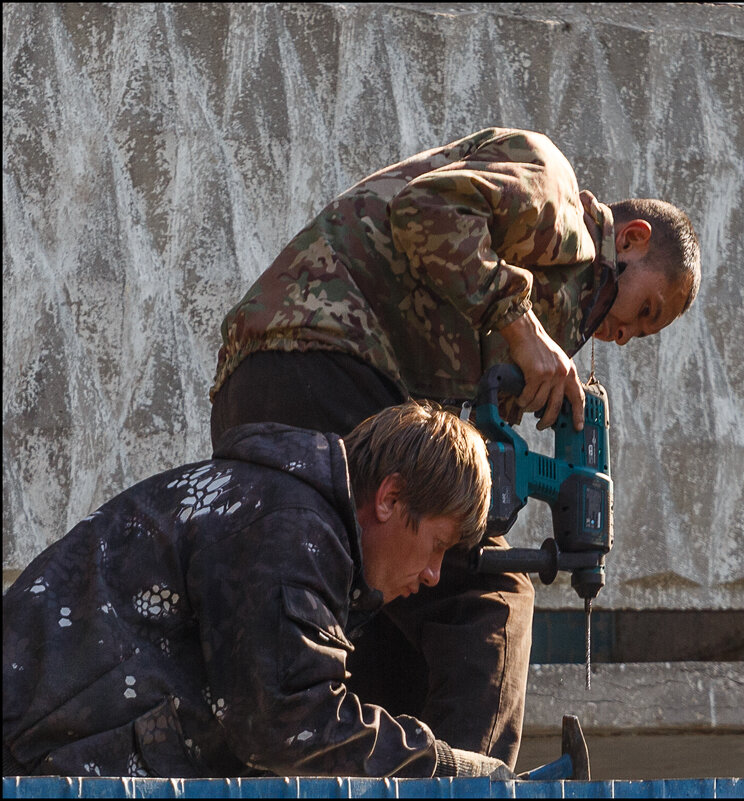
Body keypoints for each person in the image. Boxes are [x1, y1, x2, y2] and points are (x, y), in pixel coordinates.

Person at [209, 127, 702, 767]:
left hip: (264, 384)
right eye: (646, 311)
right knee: (490, 598)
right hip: (329, 359)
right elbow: (427, 208)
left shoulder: (546, 320)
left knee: (386, 613)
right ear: (631, 241)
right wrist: (521, 328)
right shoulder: (554, 190)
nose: (627, 336)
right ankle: (473, 785)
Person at [3, 401, 516, 780]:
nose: (433, 574)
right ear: (390, 497)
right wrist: (449, 766)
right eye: (437, 545)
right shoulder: (289, 528)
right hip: (31, 756)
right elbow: (289, 725)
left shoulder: (283, 510)